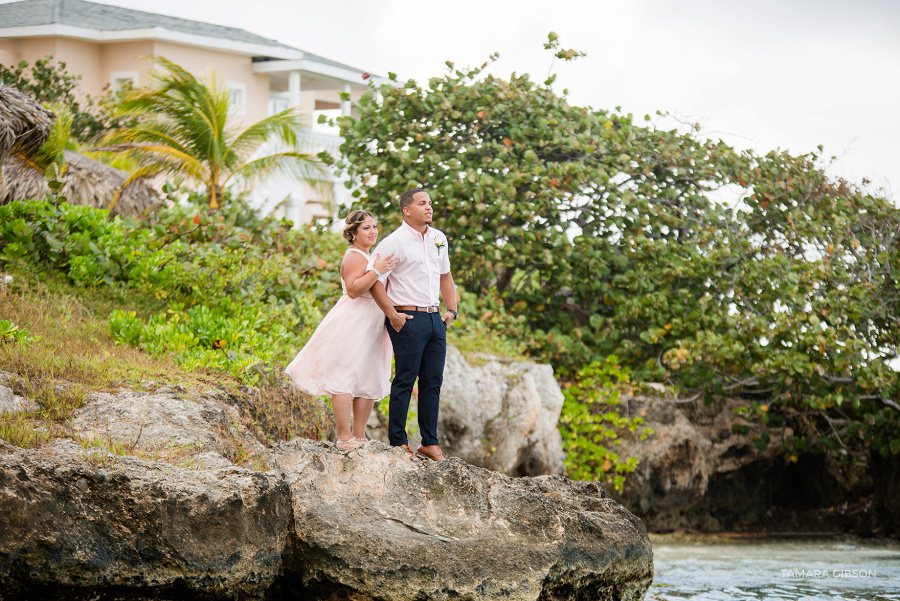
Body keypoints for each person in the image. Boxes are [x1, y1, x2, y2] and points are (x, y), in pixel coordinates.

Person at [285, 210, 398, 450]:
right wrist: (376, 270)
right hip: (355, 319)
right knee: (344, 374)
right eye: (366, 228)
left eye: (374, 226)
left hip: (375, 321)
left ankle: (359, 436)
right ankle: (344, 436)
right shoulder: (354, 256)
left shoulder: (372, 255)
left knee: (370, 375)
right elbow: (354, 290)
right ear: (353, 233)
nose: (373, 231)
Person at [369, 188, 458, 461]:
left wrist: (451, 310)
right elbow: (375, 282)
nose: (429, 207)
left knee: (432, 382)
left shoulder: (439, 239)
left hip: (435, 319)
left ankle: (429, 443)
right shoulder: (392, 243)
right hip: (407, 318)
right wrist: (392, 315)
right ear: (407, 210)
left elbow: (446, 277)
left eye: (430, 203)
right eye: (422, 204)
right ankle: (398, 442)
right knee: (405, 380)